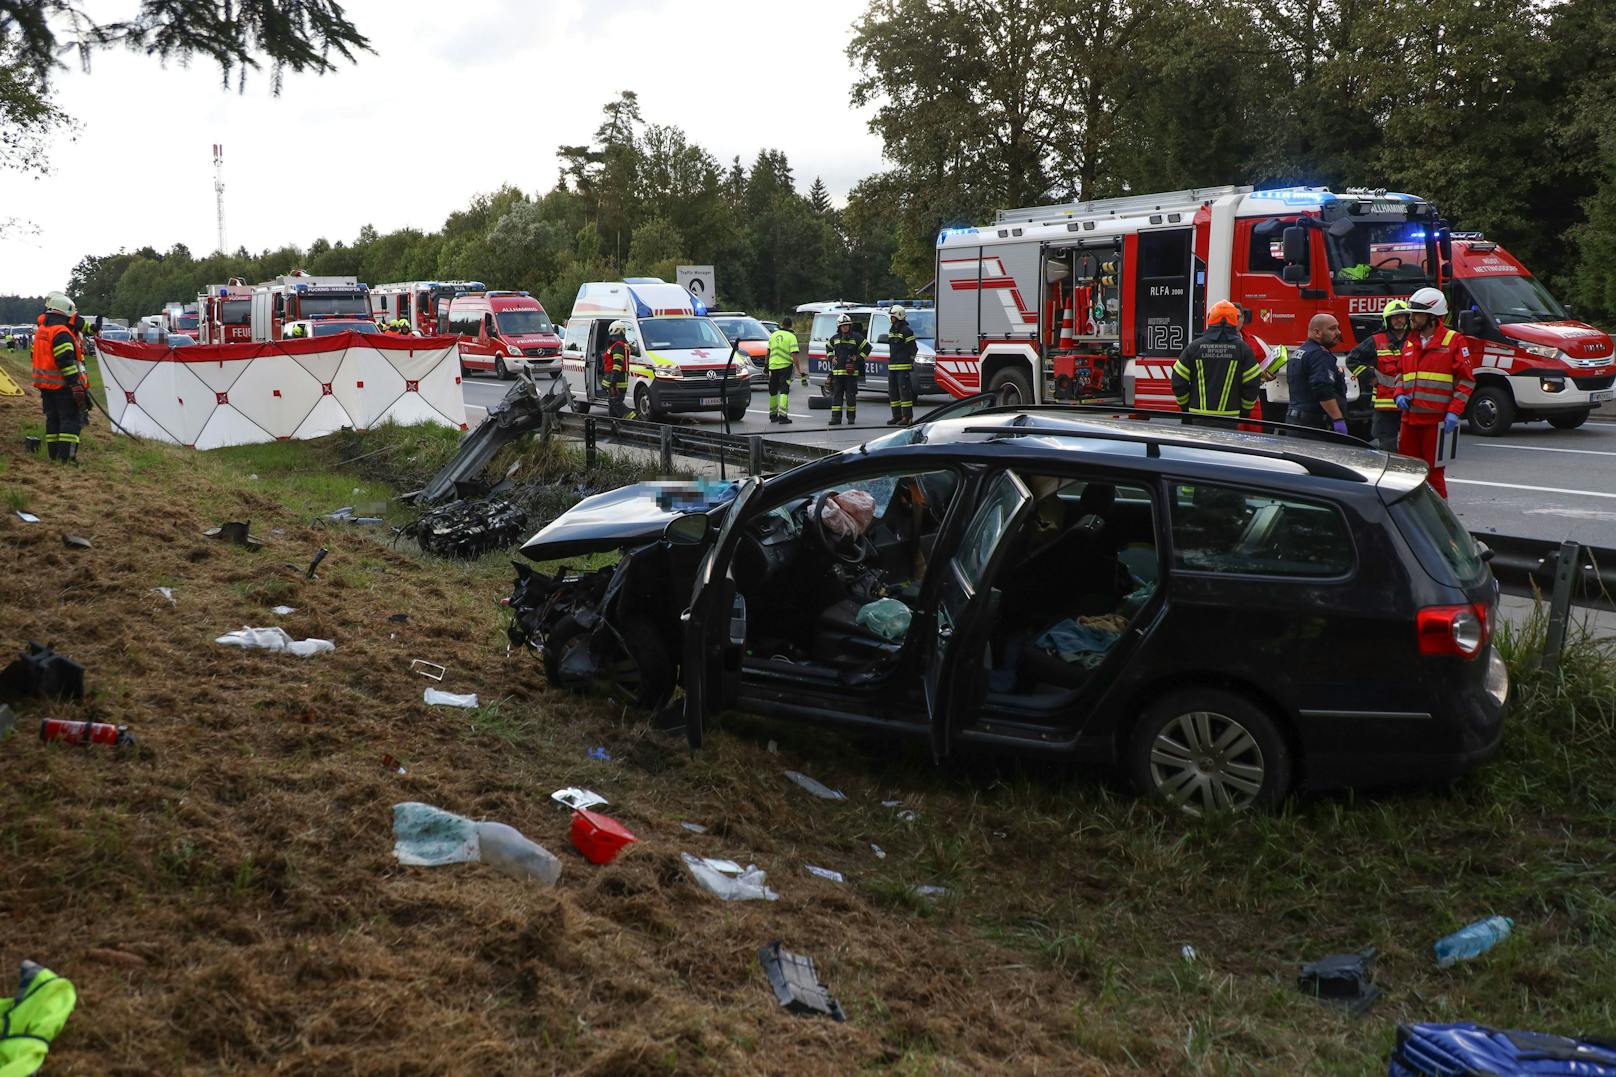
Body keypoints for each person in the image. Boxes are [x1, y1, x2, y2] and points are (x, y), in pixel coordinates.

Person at [1396, 287, 1474, 499]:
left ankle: (1442, 524)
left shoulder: (1454, 341)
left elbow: (1466, 381)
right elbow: (1400, 373)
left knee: (1434, 476)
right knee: (1406, 474)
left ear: (1432, 317)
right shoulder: (1410, 342)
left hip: (1438, 422)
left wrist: (1454, 413)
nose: (1411, 318)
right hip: (1409, 420)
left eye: (1416, 314)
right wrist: (1398, 394)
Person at [1171, 300, 1261, 422]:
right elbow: (1252, 384)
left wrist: (1185, 407)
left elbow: (1178, 381)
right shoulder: (1243, 349)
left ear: (1210, 319)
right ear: (1234, 320)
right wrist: (1244, 412)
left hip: (1198, 417)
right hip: (1230, 419)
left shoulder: (1194, 347)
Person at [1344, 299, 1413, 451]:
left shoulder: (1415, 340)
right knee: (1388, 448)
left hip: (1410, 403)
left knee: (1409, 447)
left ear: (1408, 318)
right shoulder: (1376, 340)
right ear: (1387, 320)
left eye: (1402, 316)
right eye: (1394, 317)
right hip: (1385, 405)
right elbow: (1352, 360)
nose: (1399, 320)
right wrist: (1371, 378)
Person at [31, 292, 89, 463]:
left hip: (45, 385)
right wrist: (76, 385)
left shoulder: (42, 330)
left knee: (53, 419)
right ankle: (67, 459)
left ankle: (54, 456)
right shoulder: (61, 332)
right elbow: (65, 361)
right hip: (63, 385)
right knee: (70, 421)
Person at [1283, 313, 1349, 434]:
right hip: (1313, 426)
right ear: (1317, 333)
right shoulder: (1319, 355)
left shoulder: (1300, 351)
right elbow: (1322, 390)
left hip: (1296, 421)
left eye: (1338, 328)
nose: (1338, 333)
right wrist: (1338, 419)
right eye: (1332, 329)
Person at [826, 314, 870, 426]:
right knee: (837, 396)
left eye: (847, 325)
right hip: (837, 374)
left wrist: (858, 358)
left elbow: (867, 348)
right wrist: (831, 357)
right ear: (839, 327)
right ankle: (836, 418)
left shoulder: (856, 337)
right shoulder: (835, 338)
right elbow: (828, 348)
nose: (845, 327)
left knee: (850, 397)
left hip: (851, 374)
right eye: (843, 325)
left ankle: (851, 418)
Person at [766, 316, 803, 424]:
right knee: (784, 390)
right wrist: (799, 370)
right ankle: (783, 416)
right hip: (785, 367)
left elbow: (768, 352)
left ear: (782, 324)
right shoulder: (791, 337)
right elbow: (794, 355)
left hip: (773, 367)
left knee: (773, 391)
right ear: (791, 325)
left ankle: (773, 415)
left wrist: (765, 366)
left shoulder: (773, 335)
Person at [886, 305, 918, 425]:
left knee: (905, 393)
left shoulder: (906, 331)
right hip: (892, 366)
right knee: (893, 392)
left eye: (892, 316)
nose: (891, 318)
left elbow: (913, 349)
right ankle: (897, 416)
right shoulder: (892, 330)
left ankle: (907, 417)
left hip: (903, 367)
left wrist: (909, 362)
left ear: (899, 316)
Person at [602, 319, 634, 419]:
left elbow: (617, 364)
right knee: (612, 405)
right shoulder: (622, 345)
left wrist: (613, 381)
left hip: (617, 381)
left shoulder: (618, 346)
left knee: (615, 402)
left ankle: (631, 417)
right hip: (620, 380)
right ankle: (614, 426)